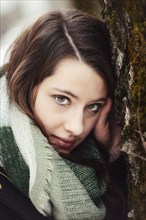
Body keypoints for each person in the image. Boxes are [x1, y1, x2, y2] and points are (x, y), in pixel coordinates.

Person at [0, 8, 127, 220]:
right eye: (62, 99)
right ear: (26, 83)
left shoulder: (94, 167)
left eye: (93, 107)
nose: (77, 128)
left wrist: (114, 160)